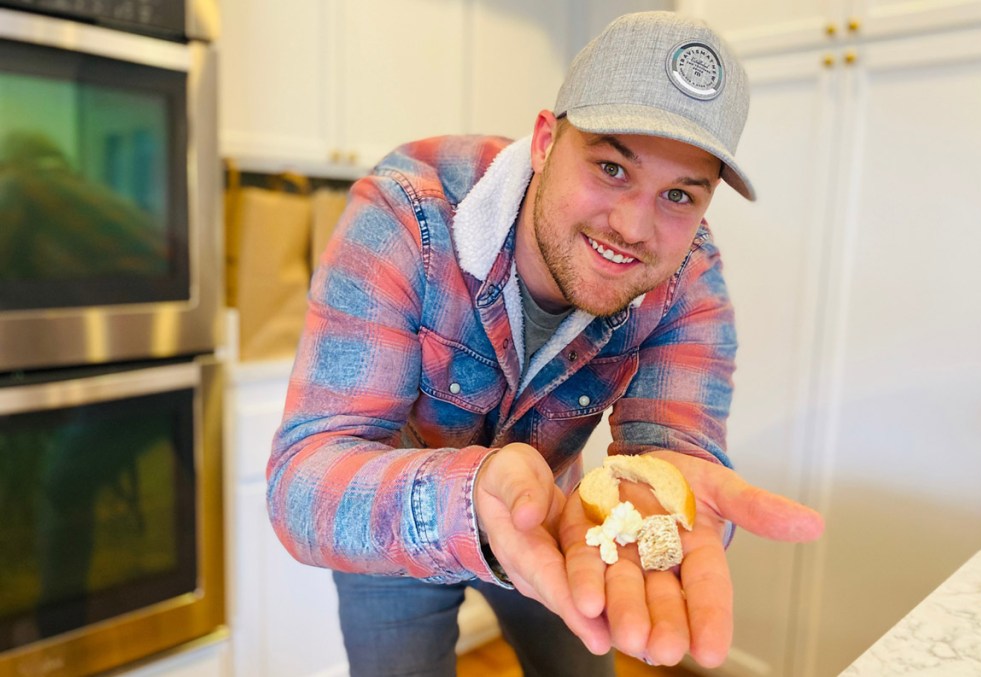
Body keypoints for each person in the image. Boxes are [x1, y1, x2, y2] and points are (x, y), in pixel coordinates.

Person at [267, 11, 824, 676]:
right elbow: (303, 482)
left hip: (557, 519)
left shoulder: (687, 277)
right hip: (392, 518)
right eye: (613, 166)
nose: (632, 226)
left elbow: (672, 453)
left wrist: (673, 497)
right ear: (542, 142)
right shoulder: (407, 215)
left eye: (678, 193)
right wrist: (471, 497)